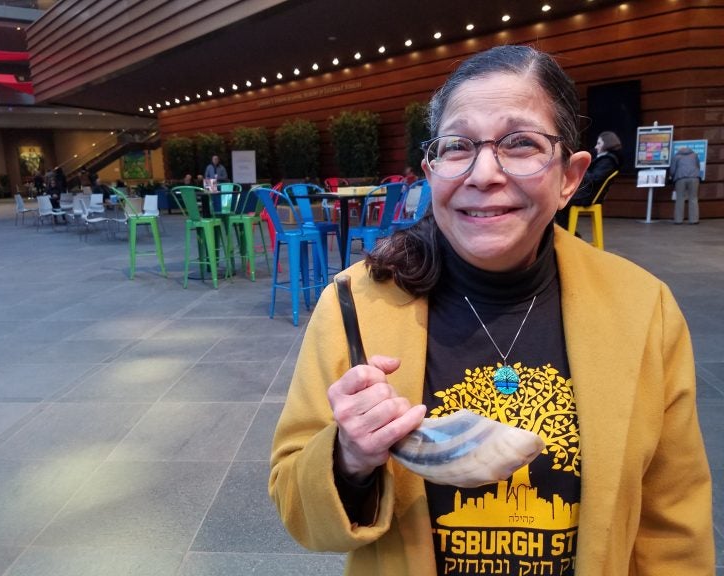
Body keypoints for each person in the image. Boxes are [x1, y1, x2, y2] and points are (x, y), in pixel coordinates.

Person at [269, 45, 713, 576]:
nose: (483, 173)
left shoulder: (643, 308)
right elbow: (297, 508)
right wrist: (349, 459)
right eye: (458, 146)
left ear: (570, 177)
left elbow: (673, 522)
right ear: (431, 170)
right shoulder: (356, 303)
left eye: (520, 143)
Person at [554, 131, 622, 228]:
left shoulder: (608, 161)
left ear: (607, 144)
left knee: (559, 200)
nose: (596, 147)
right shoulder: (604, 159)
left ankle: (567, 231)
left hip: (589, 196)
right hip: (587, 193)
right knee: (560, 198)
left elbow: (595, 178)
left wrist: (580, 169)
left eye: (599, 143)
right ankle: (568, 230)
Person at [669, 146, 701, 224]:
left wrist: (671, 176)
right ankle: (694, 220)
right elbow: (698, 166)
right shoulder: (694, 155)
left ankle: (678, 220)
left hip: (680, 178)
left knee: (680, 198)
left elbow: (672, 170)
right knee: (693, 198)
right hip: (694, 177)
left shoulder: (676, 157)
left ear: (679, 150)